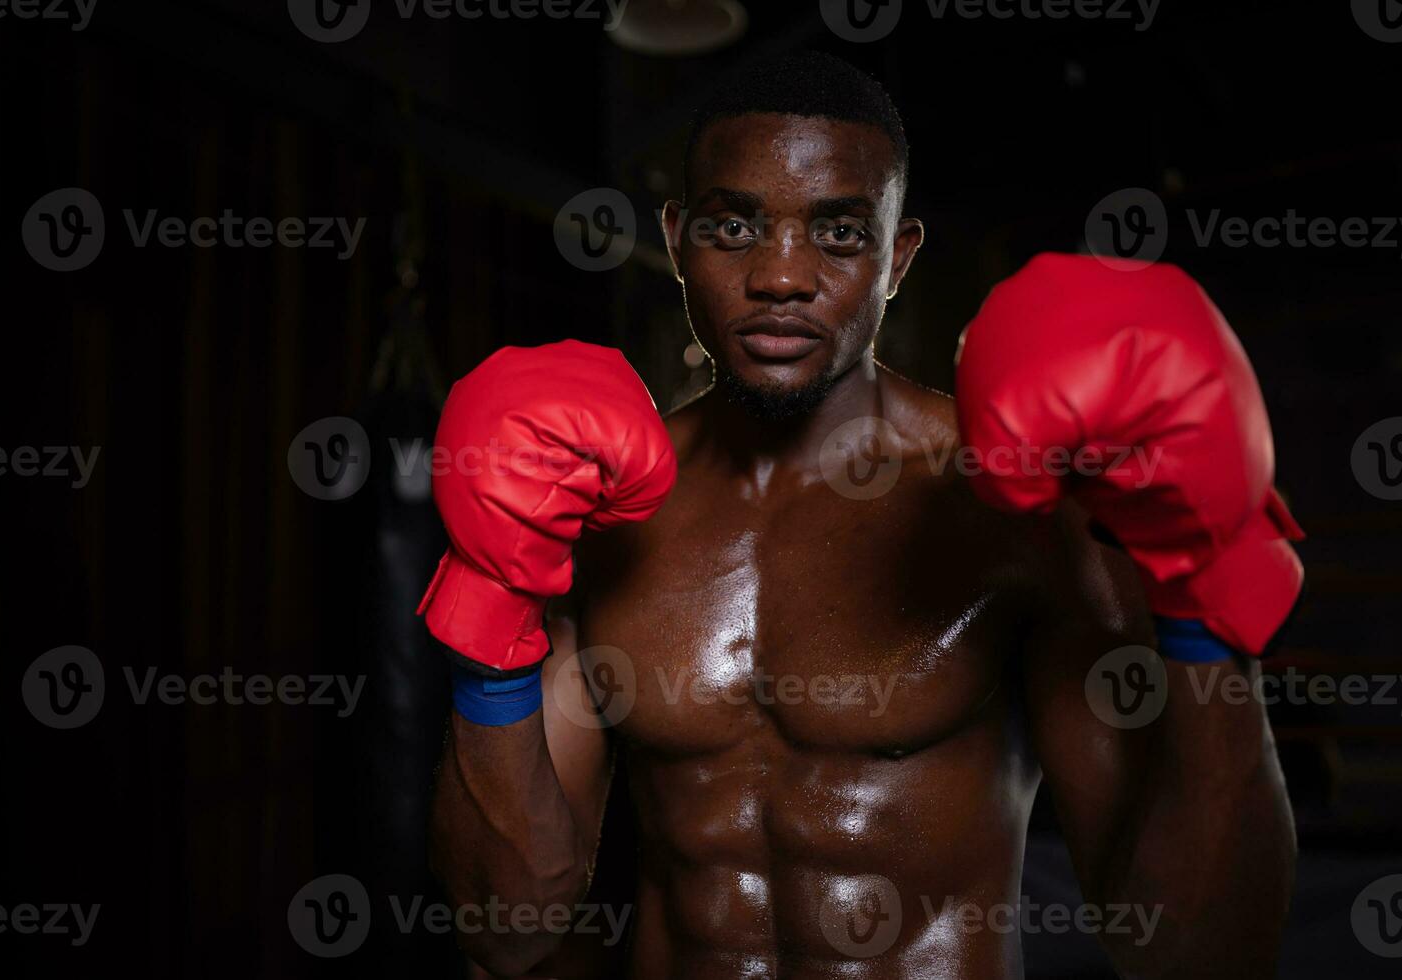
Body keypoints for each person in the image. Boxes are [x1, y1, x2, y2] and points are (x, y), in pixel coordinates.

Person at [422, 52, 1302, 979]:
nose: (781, 275)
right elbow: (507, 929)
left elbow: (1198, 951)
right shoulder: (595, 519)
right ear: (677, 241)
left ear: (898, 258)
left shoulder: (1015, 515)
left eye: (839, 233)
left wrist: (1204, 596)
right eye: (733, 225)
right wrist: (489, 602)